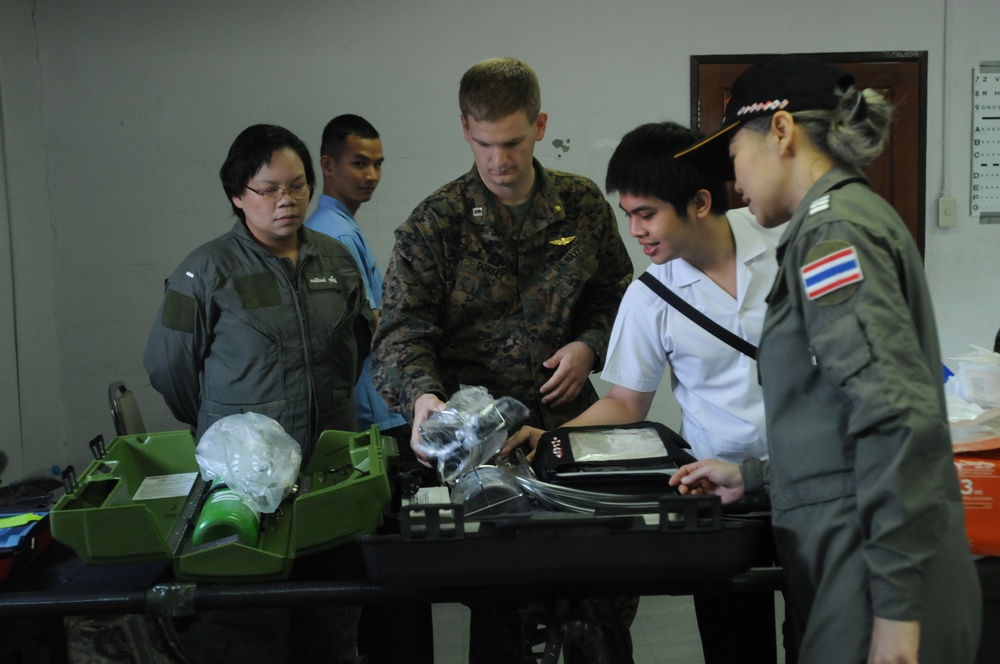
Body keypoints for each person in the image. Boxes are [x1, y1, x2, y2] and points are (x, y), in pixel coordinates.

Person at [669, 55, 982, 664]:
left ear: (780, 132)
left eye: (734, 156)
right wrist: (756, 478)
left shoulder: (834, 237)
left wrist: (895, 612)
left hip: (875, 579)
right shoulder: (835, 224)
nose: (735, 184)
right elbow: (838, 420)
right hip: (860, 564)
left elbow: (892, 420)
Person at [371, 57, 633, 663]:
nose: (499, 160)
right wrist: (423, 398)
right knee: (501, 607)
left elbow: (619, 295)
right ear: (465, 129)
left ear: (539, 125)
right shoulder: (435, 225)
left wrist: (590, 343)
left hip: (570, 429)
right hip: (480, 447)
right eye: (485, 143)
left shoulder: (581, 204)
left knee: (603, 594)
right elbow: (399, 334)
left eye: (513, 142)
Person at [502, 121, 790, 664]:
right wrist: (552, 439)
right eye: (628, 214)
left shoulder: (786, 244)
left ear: (700, 202)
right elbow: (625, 404)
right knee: (735, 646)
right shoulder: (650, 295)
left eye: (647, 213)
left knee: (820, 635)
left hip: (808, 481)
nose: (635, 230)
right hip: (716, 497)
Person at [144, 123, 374, 664]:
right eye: (268, 189)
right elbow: (167, 367)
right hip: (241, 489)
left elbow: (357, 348)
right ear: (236, 195)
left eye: (297, 185)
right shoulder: (201, 273)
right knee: (248, 632)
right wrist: (218, 430)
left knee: (333, 626)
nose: (286, 200)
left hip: (327, 476)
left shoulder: (336, 262)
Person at [304, 113, 434, 664]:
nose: (372, 174)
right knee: (395, 570)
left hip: (380, 410)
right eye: (359, 163)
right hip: (373, 419)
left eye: (379, 163)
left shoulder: (343, 227)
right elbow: (370, 325)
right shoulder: (331, 234)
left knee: (397, 569)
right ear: (327, 165)